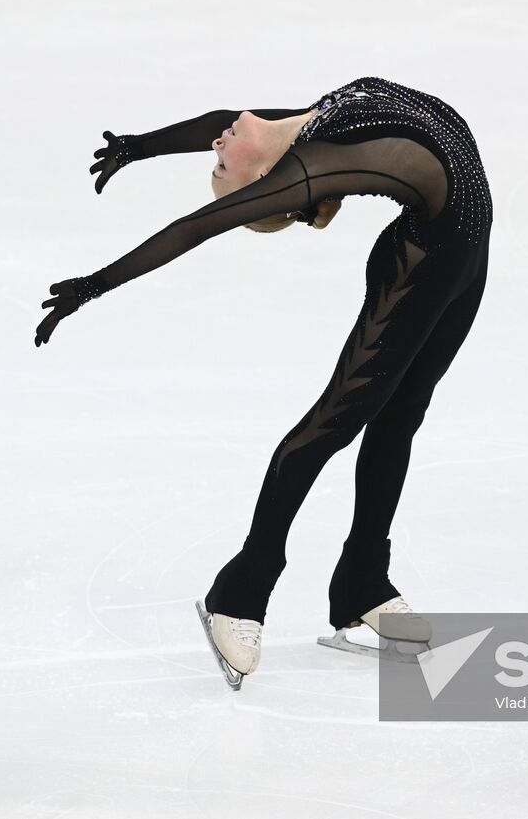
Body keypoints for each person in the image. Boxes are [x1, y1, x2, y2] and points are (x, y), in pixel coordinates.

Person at [36, 76, 493, 689]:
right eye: (223, 168)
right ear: (264, 183)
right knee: (334, 423)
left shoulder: (306, 122)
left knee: (400, 415)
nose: (218, 150)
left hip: (465, 254)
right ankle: (241, 590)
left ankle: (363, 582)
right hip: (421, 262)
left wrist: (139, 147)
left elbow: (225, 120)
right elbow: (194, 227)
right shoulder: (308, 166)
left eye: (216, 161)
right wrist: (92, 285)